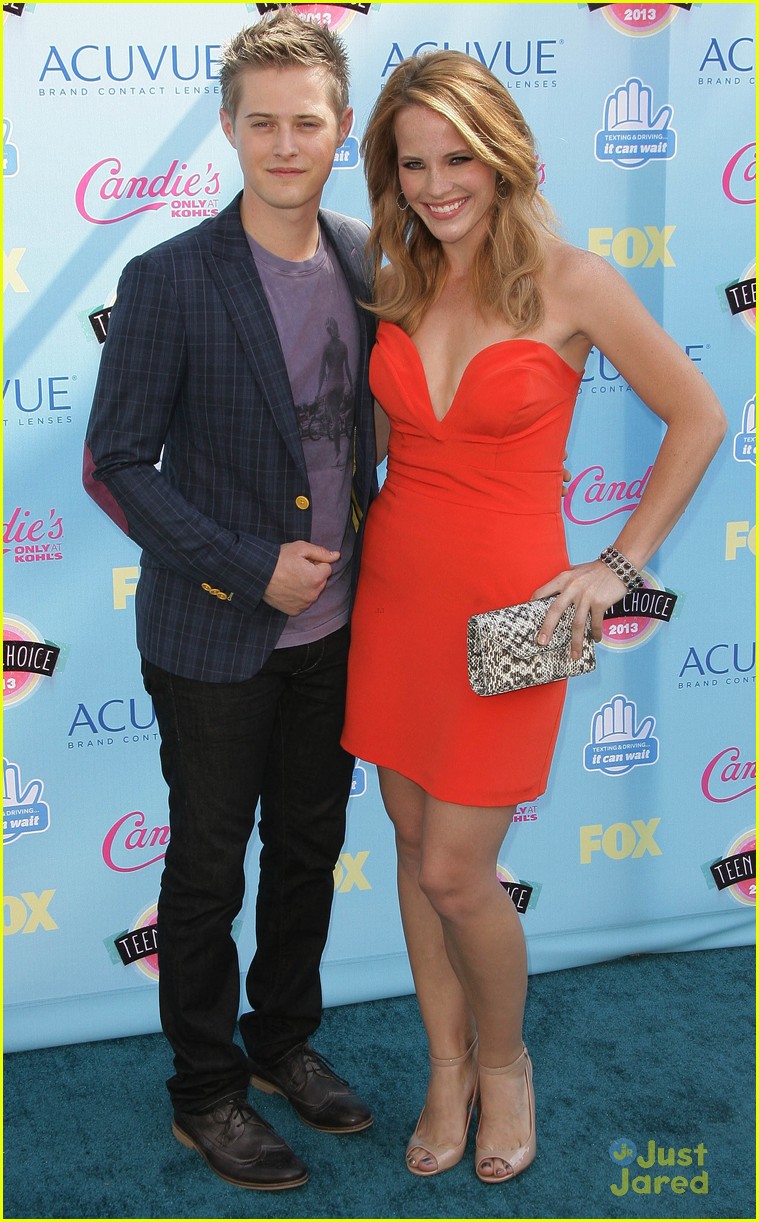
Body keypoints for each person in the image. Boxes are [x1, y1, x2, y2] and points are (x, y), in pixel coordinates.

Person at [341, 51, 726, 1185]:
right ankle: (443, 1066)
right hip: (395, 599)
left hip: (515, 612)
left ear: (503, 155)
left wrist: (619, 562)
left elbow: (699, 415)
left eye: (457, 155)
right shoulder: (395, 278)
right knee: (414, 851)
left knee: (464, 871)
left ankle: (503, 1064)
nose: (436, 182)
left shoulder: (574, 279)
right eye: (413, 162)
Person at [83, 10, 377, 1192]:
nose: (285, 142)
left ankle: (281, 1041)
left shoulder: (367, 258)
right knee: (209, 864)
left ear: (340, 127)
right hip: (215, 629)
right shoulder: (168, 277)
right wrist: (247, 562)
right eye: (262, 122)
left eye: (307, 121)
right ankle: (205, 1089)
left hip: (342, 627)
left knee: (308, 845)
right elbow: (115, 461)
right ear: (229, 128)